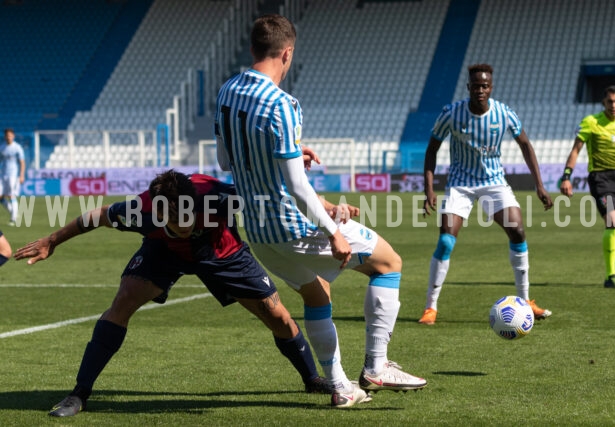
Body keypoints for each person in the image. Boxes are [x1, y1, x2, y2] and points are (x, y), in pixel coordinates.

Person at [214, 14, 426, 409]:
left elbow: (227, 161)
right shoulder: (283, 104)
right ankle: (376, 366)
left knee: (316, 297)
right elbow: (296, 188)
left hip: (259, 233)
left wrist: (292, 152)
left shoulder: (226, 92)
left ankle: (341, 387)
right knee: (389, 264)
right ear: (287, 53)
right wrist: (333, 230)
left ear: (253, 49)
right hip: (295, 226)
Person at [14, 170, 333, 417]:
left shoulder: (221, 197)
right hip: (163, 251)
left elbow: (275, 195)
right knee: (123, 301)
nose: (181, 223)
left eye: (186, 216)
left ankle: (312, 379)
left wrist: (325, 208)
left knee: (276, 314)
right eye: (171, 217)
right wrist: (52, 240)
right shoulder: (141, 211)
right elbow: (96, 217)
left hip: (221, 251)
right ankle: (79, 393)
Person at [418, 63, 554, 326]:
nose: (480, 90)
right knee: (446, 242)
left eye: (485, 86)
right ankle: (430, 307)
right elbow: (432, 149)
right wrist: (429, 189)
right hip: (460, 184)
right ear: (468, 87)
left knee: (518, 232)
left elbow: (525, 145)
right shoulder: (451, 113)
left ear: (491, 87)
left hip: (494, 183)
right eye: (475, 86)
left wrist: (540, 184)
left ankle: (525, 302)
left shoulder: (504, 114)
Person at [560, 85, 615, 289]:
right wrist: (566, 176)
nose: (613, 105)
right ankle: (610, 276)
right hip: (601, 179)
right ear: (604, 102)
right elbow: (575, 150)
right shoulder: (591, 122)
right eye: (610, 101)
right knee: (614, 222)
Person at [0, 128, 26, 226]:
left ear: (13, 136)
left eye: (10, 135)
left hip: (13, 175)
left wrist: (22, 175)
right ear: (5, 136)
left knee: (11, 195)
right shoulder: (2, 147)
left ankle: (13, 218)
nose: (8, 137)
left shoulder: (17, 147)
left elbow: (22, 162)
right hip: (3, 175)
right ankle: (13, 212)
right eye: (7, 135)